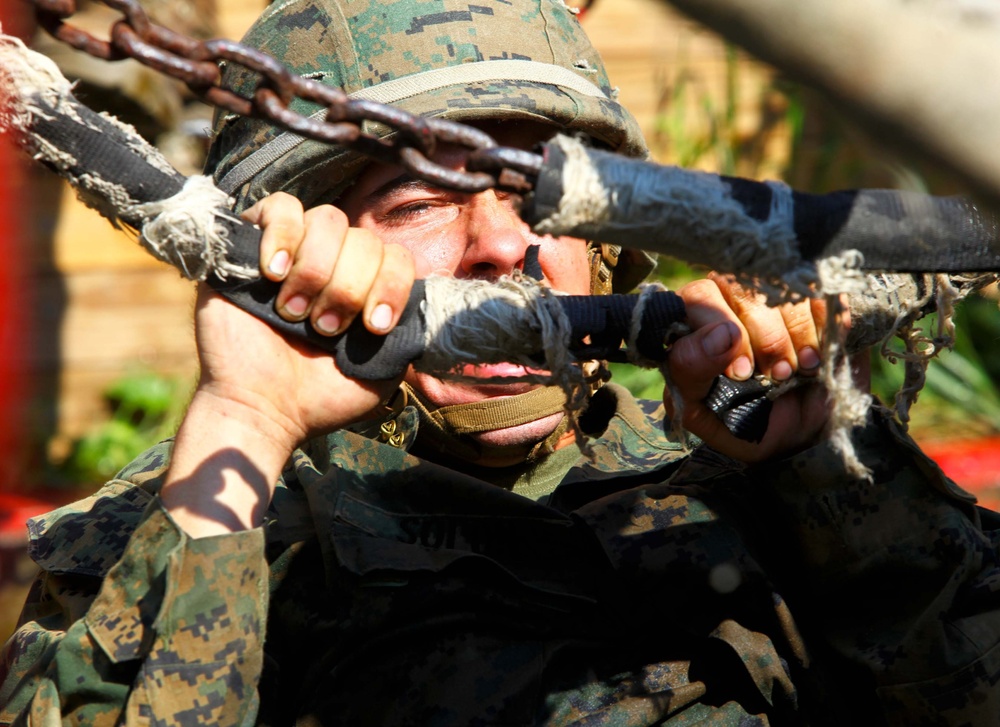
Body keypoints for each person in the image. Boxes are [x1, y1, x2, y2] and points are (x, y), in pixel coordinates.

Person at [2, 1, 999, 724]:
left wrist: (820, 465)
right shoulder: (204, 516)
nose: (500, 246)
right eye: (420, 202)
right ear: (305, 251)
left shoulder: (748, 472)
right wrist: (247, 420)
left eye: (534, 192)